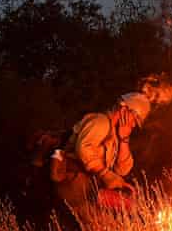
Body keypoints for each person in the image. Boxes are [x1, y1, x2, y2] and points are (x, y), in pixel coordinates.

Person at [52, 92, 151, 222]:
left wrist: (124, 139)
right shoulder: (100, 122)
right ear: (124, 109)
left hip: (87, 188)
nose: (133, 125)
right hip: (73, 182)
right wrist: (105, 174)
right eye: (135, 119)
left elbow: (122, 170)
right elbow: (84, 149)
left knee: (105, 225)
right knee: (94, 226)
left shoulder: (116, 135)